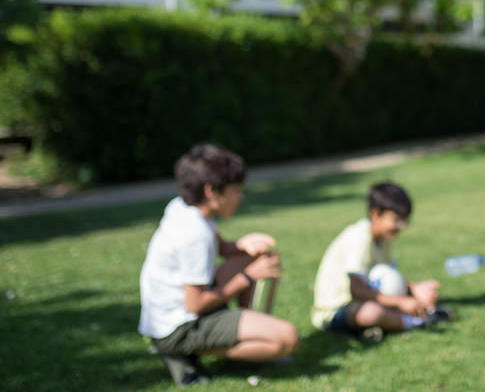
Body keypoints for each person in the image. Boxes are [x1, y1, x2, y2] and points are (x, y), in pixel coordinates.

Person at [139, 144, 299, 387]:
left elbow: (221, 247)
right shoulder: (194, 234)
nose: (241, 197)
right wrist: (247, 276)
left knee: (261, 257)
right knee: (287, 339)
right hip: (178, 328)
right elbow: (196, 303)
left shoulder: (185, 207)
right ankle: (185, 353)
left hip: (175, 316)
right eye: (236, 190)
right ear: (212, 191)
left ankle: (246, 344)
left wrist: (244, 245)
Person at [310, 182, 454, 341]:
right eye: (396, 220)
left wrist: (414, 289)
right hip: (336, 310)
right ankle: (417, 321)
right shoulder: (360, 238)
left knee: (382, 308)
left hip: (361, 302)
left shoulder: (382, 240)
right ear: (375, 215)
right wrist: (401, 302)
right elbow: (356, 289)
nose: (402, 226)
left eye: (405, 221)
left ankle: (377, 327)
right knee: (371, 313)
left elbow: (386, 278)